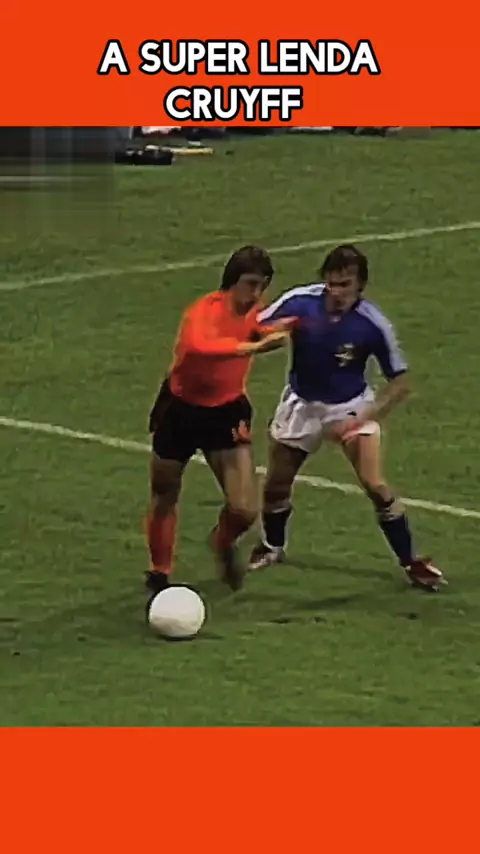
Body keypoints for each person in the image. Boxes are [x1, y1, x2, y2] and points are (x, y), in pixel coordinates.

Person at [249, 244, 447, 591]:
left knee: (375, 485)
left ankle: (411, 561)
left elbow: (400, 383)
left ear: (360, 286)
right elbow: (252, 329)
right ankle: (272, 546)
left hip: (351, 406)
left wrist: (364, 418)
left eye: (345, 285)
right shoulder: (299, 301)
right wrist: (269, 336)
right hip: (302, 405)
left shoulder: (372, 323)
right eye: (332, 283)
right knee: (277, 485)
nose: (337, 292)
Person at [145, 245, 294, 596]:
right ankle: (159, 571)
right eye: (250, 284)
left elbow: (283, 323)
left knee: (244, 509)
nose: (256, 293)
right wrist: (254, 347)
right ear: (232, 281)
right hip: (180, 409)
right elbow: (201, 346)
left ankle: (222, 540)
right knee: (165, 489)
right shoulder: (204, 312)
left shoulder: (257, 314)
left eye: (262, 286)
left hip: (226, 412)